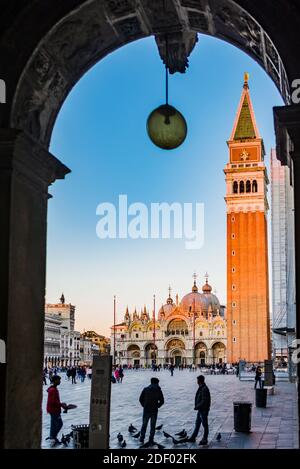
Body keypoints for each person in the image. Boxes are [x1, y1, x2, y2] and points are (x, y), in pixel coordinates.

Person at [139, 377, 164, 445]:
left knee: (144, 425)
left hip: (146, 410)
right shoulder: (158, 390)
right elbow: (162, 401)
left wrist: (144, 405)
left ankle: (142, 437)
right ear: (156, 383)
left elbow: (140, 399)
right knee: (153, 426)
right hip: (154, 411)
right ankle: (151, 439)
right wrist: (157, 406)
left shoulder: (146, 389)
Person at [187, 375, 211, 445]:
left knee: (204, 424)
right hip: (200, 409)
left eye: (197, 380)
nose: (196, 381)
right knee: (197, 424)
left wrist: (197, 406)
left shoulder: (204, 389)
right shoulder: (202, 387)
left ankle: (205, 438)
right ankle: (193, 437)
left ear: (199, 381)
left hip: (203, 410)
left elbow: (204, 400)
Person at [46, 375, 67, 447]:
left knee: (53, 424)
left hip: (52, 409)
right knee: (59, 424)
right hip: (54, 410)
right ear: (55, 381)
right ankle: (54, 437)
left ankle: (52, 437)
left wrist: (61, 405)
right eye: (59, 380)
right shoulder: (53, 390)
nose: (60, 381)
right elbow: (53, 402)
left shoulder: (52, 389)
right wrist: (61, 404)